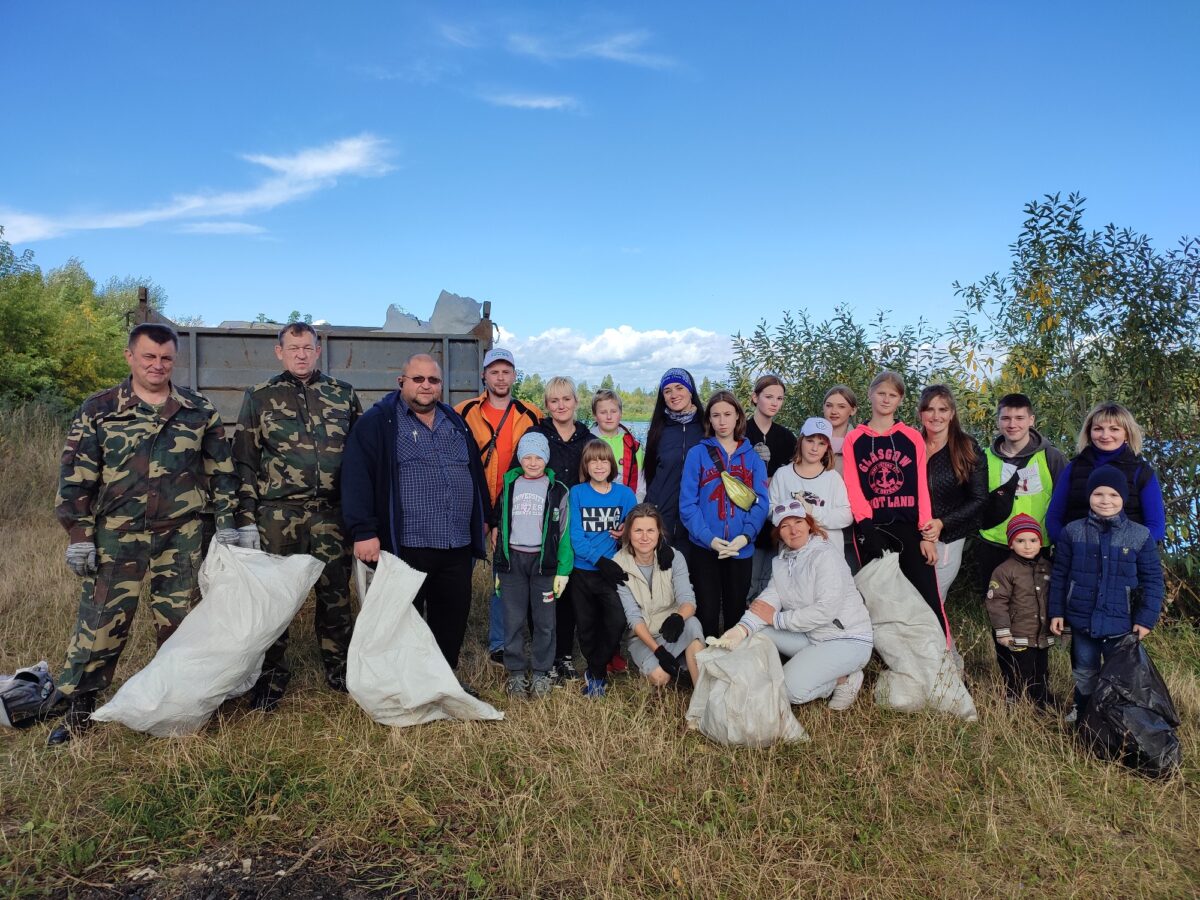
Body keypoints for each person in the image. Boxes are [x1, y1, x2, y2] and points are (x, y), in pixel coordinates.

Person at [48, 323, 241, 745]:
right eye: (149, 356)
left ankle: (179, 702)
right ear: (130, 357)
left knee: (182, 622)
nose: (158, 365)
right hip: (118, 534)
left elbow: (221, 471)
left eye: (166, 358)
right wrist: (79, 534)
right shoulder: (100, 409)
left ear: (175, 360)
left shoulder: (198, 409)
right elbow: (76, 477)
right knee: (101, 621)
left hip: (180, 534)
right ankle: (80, 704)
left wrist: (229, 523)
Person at [231, 322, 362, 710]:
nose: (301, 355)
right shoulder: (260, 396)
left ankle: (340, 670)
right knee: (274, 599)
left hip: (331, 515)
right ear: (280, 352)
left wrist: (362, 515)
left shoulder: (343, 394)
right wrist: (246, 519)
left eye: (307, 347)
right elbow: (244, 460)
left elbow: (362, 458)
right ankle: (270, 677)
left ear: (318, 350)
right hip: (278, 515)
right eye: (293, 348)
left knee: (336, 597)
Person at [343, 354, 491, 691]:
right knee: (401, 622)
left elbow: (473, 472)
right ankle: (401, 688)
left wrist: (482, 515)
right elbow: (356, 477)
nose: (426, 386)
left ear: (441, 385)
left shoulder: (454, 421)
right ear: (402, 382)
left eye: (433, 380)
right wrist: (363, 530)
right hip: (406, 544)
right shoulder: (378, 422)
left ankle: (443, 684)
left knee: (451, 620)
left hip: (455, 543)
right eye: (418, 379)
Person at [713, 500, 873, 710]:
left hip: (846, 639)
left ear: (809, 525)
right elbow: (768, 600)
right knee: (758, 632)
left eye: (798, 522)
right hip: (812, 636)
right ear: (779, 533)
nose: (793, 530)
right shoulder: (781, 562)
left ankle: (843, 679)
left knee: (788, 691)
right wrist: (741, 630)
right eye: (785, 526)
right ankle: (824, 671)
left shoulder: (825, 555)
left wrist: (777, 619)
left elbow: (826, 610)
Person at [1049, 467, 1164, 723]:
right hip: (1082, 619)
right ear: (1089, 496)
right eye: (1098, 494)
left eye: (1113, 494)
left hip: (1122, 623)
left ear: (1123, 498)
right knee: (1084, 671)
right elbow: (1060, 575)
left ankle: (1115, 721)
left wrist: (1145, 619)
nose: (1105, 500)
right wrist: (1057, 611)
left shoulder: (1140, 536)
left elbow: (1153, 581)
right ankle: (1083, 712)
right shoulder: (1072, 532)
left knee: (1121, 676)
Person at [842, 371, 947, 644]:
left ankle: (942, 653)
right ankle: (890, 656)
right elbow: (853, 485)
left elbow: (921, 486)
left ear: (900, 399)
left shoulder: (911, 437)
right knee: (880, 599)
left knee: (926, 593)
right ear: (870, 395)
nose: (886, 399)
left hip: (909, 526)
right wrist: (866, 526)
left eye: (892, 395)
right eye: (881, 393)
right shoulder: (855, 438)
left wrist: (926, 534)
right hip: (873, 528)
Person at [454, 348, 542, 665]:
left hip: (514, 506)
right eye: (494, 372)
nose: (500, 378)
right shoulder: (464, 411)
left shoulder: (531, 413)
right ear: (484, 375)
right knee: (456, 574)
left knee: (505, 577)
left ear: (514, 376)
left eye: (506, 372)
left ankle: (500, 643)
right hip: (471, 504)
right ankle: (445, 636)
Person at [518, 376, 594, 684]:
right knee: (541, 591)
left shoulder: (588, 439)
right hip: (540, 526)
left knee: (569, 590)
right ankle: (544, 656)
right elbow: (515, 477)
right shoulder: (536, 435)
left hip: (574, 525)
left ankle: (563, 654)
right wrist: (499, 523)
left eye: (566, 399)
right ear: (546, 405)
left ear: (576, 401)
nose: (560, 405)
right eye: (554, 400)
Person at [679, 391, 769, 637]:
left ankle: (732, 656)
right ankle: (706, 655)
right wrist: (708, 538)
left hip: (741, 547)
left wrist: (746, 536)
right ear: (709, 419)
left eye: (727, 414)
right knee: (707, 611)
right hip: (706, 547)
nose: (722, 421)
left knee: (736, 610)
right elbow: (688, 504)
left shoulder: (752, 458)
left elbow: (761, 503)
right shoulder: (698, 454)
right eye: (716, 415)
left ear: (738, 416)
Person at [492, 432, 572, 699]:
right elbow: (500, 527)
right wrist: (499, 566)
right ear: (520, 458)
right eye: (527, 457)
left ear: (546, 458)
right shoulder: (510, 485)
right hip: (513, 561)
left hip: (543, 563)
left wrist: (563, 570)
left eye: (539, 457)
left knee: (544, 622)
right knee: (513, 619)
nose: (533, 462)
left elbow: (564, 533)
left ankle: (541, 672)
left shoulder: (557, 489)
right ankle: (516, 672)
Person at [975, 393, 1068, 594]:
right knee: (995, 601)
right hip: (994, 542)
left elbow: (1066, 501)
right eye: (1006, 418)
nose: (1012, 424)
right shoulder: (983, 457)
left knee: (1035, 603)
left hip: (1036, 544)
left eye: (1019, 418)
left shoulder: (1051, 457)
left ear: (1031, 420)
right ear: (998, 421)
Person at [569, 440, 637, 697]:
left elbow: (635, 525)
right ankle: (595, 672)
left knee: (617, 620)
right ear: (585, 465)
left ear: (612, 464)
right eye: (593, 461)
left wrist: (625, 529)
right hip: (583, 570)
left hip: (612, 571)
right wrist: (599, 560)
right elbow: (576, 536)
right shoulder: (577, 493)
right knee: (586, 625)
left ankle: (597, 668)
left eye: (604, 460)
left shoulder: (625, 495)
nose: (599, 466)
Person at [1045, 402, 1166, 545]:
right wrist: (1069, 546)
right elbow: (1053, 518)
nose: (1105, 435)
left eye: (1114, 429)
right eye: (1098, 429)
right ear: (1089, 432)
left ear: (1127, 433)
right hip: (1078, 553)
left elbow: (1156, 527)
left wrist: (1128, 551)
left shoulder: (1141, 471)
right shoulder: (1074, 467)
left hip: (1126, 554)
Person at [612, 504, 706, 687]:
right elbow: (633, 617)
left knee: (693, 624)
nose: (645, 537)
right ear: (628, 533)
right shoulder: (618, 565)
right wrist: (658, 651)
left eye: (650, 530)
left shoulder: (674, 557)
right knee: (660, 677)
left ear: (659, 533)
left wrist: (679, 617)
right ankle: (669, 667)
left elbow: (688, 600)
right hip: (643, 637)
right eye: (638, 531)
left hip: (671, 628)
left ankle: (701, 697)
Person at [917, 384, 987, 599]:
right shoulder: (912, 445)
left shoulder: (966, 448)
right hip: (912, 535)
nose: (936, 416)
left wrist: (942, 523)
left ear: (952, 413)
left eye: (943, 409)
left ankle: (938, 624)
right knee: (910, 597)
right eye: (929, 409)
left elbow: (979, 498)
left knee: (934, 598)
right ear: (921, 413)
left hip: (948, 536)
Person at [984, 513, 1056, 709]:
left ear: (1040, 542)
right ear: (1011, 544)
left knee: (1041, 669)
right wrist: (1003, 630)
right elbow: (996, 602)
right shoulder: (1005, 570)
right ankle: (1014, 701)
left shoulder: (1047, 568)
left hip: (1041, 633)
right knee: (1019, 670)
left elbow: (1054, 597)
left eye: (1033, 540)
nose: (1027, 546)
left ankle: (1041, 700)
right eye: (1020, 541)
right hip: (1018, 633)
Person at [768, 417, 853, 555]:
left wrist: (813, 512)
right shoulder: (782, 474)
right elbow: (770, 510)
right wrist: (793, 514)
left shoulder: (833, 478)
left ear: (827, 448)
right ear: (801, 440)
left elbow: (846, 516)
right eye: (810, 441)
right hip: (791, 556)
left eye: (821, 443)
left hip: (828, 557)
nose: (814, 448)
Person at [643, 368, 704, 559]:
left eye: (679, 388)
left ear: (690, 390)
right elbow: (651, 474)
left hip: (699, 521)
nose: (674, 394)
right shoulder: (658, 429)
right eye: (667, 391)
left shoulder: (707, 427)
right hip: (663, 520)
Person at [745, 375, 797, 597]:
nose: (775, 403)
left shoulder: (787, 437)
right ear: (755, 397)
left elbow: (794, 474)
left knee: (772, 578)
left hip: (776, 514)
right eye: (769, 397)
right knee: (748, 576)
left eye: (779, 398)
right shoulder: (740, 433)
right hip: (746, 513)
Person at [590, 388, 645, 501]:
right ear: (595, 415)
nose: (609, 417)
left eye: (613, 411)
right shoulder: (586, 442)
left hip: (625, 505)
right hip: (593, 505)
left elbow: (641, 484)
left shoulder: (633, 445)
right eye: (603, 412)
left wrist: (635, 506)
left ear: (621, 413)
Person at [822, 385, 858, 476]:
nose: (834, 411)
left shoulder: (860, 442)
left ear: (853, 410)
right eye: (829, 405)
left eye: (841, 406)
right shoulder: (808, 439)